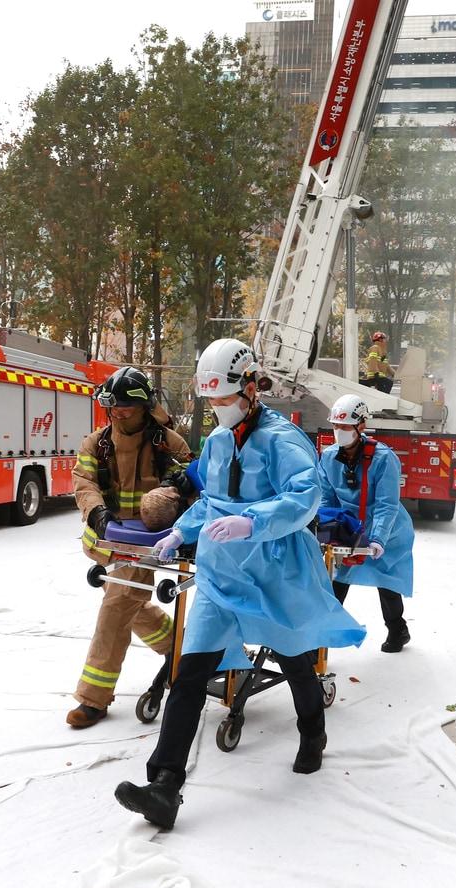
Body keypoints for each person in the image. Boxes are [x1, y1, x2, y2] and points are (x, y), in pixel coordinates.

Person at [113, 339, 366, 830]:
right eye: (211, 402)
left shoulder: (283, 441)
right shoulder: (216, 443)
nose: (217, 409)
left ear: (250, 389)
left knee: (294, 661)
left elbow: (305, 498)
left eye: (223, 400)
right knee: (187, 675)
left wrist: (254, 521)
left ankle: (312, 731)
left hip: (273, 572)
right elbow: (211, 501)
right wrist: (180, 531)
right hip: (220, 572)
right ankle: (165, 786)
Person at [69, 366, 193, 729]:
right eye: (114, 406)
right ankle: (177, 648)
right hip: (105, 541)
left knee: (116, 607)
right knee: (129, 603)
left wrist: (178, 486)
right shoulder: (96, 443)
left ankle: (93, 698)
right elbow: (83, 483)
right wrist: (98, 514)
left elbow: (193, 486)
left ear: (145, 406)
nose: (118, 412)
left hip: (148, 546)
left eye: (127, 406)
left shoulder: (169, 443)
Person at [317, 394, 414, 652]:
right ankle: (323, 633)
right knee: (337, 577)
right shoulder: (328, 457)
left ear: (361, 425)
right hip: (349, 526)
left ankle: (397, 630)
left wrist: (378, 538)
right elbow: (327, 498)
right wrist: (327, 531)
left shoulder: (384, 459)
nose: (340, 432)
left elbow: (386, 504)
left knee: (386, 580)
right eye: (336, 426)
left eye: (346, 426)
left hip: (386, 528)